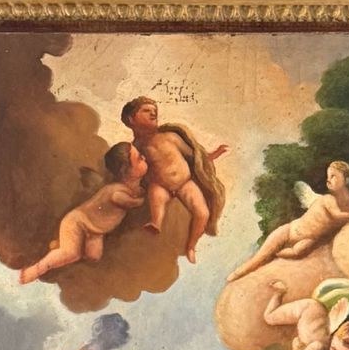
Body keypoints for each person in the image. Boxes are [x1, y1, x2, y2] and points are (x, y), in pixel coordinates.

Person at [120, 96, 230, 264]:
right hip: (159, 186)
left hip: (184, 184)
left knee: (203, 213)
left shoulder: (170, 137)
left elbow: (196, 157)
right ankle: (155, 223)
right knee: (156, 195)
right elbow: (133, 171)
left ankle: (191, 246)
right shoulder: (135, 148)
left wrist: (214, 154)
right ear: (131, 119)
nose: (153, 114)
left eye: (154, 111)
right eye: (146, 111)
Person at [19, 143, 148, 283]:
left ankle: (72, 268)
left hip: (94, 231)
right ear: (126, 171)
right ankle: (37, 269)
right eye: (139, 158)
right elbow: (121, 199)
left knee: (94, 257)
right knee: (71, 253)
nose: (144, 158)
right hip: (77, 222)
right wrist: (140, 200)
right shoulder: (118, 190)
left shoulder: (128, 187)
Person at [226, 163, 349, 281]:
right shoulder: (328, 199)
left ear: (346, 179)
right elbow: (338, 215)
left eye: (333, 176)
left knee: (297, 252)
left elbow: (343, 218)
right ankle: (237, 274)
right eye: (328, 176)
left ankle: (277, 254)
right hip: (289, 231)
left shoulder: (348, 204)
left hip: (309, 239)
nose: (328, 180)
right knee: (260, 257)